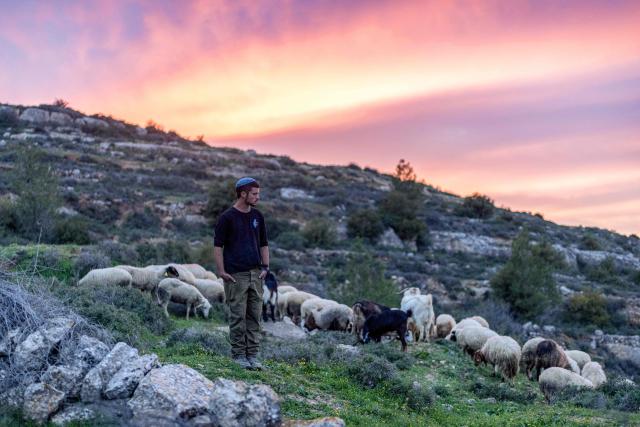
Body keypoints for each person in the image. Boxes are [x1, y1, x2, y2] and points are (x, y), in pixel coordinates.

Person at [213, 177, 269, 370]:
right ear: (242, 194)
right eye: (254, 194)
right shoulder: (227, 218)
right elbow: (218, 246)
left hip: (256, 274)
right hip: (236, 275)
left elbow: (264, 243)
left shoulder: (257, 216)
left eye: (258, 194)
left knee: (255, 316)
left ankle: (253, 356)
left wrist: (266, 267)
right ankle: (238, 356)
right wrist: (221, 271)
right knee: (238, 316)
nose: (257, 197)